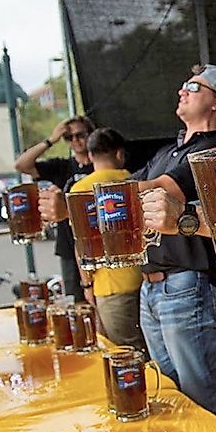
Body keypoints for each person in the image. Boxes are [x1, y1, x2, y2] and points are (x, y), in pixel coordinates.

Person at [135, 63, 216, 425]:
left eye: (193, 88)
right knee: (172, 394)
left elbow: (157, 189)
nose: (182, 91)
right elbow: (130, 189)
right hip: (153, 287)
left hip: (188, 283)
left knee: (205, 398)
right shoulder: (169, 149)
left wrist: (85, 199)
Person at [69, 127, 146, 350]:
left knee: (123, 352)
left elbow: (82, 244)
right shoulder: (137, 181)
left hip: (109, 286)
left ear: (91, 155)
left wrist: (86, 284)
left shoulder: (80, 189)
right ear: (119, 154)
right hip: (147, 278)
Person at [18, 116, 94, 302]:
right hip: (69, 244)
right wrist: (51, 140)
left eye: (80, 135)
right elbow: (22, 165)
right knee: (76, 302)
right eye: (69, 137)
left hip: (96, 243)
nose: (75, 141)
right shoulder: (63, 166)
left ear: (90, 134)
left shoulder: (101, 163)